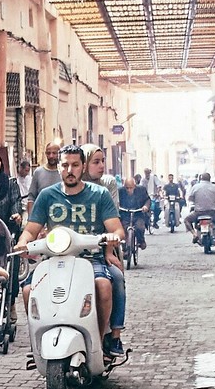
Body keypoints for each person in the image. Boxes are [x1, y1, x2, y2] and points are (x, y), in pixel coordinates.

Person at [14, 146, 124, 351]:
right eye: (65, 165)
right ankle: (38, 343)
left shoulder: (100, 194)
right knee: (29, 290)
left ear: (83, 167)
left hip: (90, 259)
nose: (70, 170)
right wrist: (23, 242)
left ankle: (98, 343)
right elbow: (31, 229)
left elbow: (117, 229)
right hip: (54, 260)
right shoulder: (47, 196)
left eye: (75, 165)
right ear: (59, 168)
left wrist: (111, 236)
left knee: (104, 286)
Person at [80, 144, 129, 353]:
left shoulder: (107, 184)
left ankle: (115, 334)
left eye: (102, 161)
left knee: (116, 278)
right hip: (75, 248)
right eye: (95, 162)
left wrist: (108, 251)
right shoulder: (71, 185)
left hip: (104, 245)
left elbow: (112, 220)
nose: (101, 166)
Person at [186, 172, 215, 243]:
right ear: (209, 179)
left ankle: (194, 234)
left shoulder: (195, 187)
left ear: (201, 178)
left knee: (187, 220)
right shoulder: (214, 187)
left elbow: (190, 198)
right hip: (211, 212)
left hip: (198, 213)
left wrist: (196, 201)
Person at [118, 176, 150, 251]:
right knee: (122, 230)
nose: (129, 190)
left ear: (135, 186)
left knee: (139, 227)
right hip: (125, 214)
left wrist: (145, 206)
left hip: (138, 214)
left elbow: (147, 200)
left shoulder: (141, 190)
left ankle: (141, 241)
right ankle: (125, 248)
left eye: (131, 187)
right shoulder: (120, 191)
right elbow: (116, 201)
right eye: (127, 188)